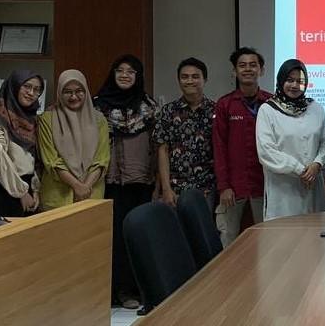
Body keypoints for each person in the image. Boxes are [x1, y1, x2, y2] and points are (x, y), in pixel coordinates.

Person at [93, 54, 159, 310]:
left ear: (138, 76)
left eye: (130, 71)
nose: (124, 75)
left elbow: (157, 146)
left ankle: (139, 289)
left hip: (141, 182)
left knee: (141, 237)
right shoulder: (98, 106)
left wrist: (156, 181)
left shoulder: (148, 106)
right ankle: (118, 290)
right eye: (119, 70)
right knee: (115, 239)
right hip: (109, 182)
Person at [255, 59, 325, 221]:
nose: (295, 86)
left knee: (316, 238)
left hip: (313, 186)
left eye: (300, 81)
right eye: (290, 80)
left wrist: (317, 163)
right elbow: (267, 151)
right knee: (284, 239)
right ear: (281, 81)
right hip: (283, 190)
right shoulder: (268, 110)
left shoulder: (315, 108)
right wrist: (300, 170)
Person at [213, 47, 273, 246]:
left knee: (268, 239)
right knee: (228, 239)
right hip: (233, 187)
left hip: (265, 186)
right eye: (242, 65)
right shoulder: (225, 105)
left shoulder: (271, 103)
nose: (248, 69)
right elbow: (219, 147)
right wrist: (224, 186)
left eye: (253, 65)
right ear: (234, 71)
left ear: (261, 70)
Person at [38, 70, 110, 211]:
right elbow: (51, 160)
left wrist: (85, 187)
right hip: (58, 196)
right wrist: (77, 186)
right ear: (59, 93)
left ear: (86, 92)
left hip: (91, 195)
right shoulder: (47, 119)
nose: (73, 96)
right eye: (67, 92)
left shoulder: (99, 120)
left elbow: (102, 159)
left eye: (79, 91)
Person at [0, 70, 43, 216]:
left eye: (36, 89)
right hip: (3, 189)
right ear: (15, 86)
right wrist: (20, 192)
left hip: (25, 188)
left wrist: (34, 190)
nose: (31, 93)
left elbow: (31, 158)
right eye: (26, 86)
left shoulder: (31, 119)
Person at [154, 57, 216, 206]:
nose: (190, 81)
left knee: (202, 228)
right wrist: (166, 188)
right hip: (176, 187)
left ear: (205, 79)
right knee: (175, 229)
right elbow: (163, 150)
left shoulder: (216, 111)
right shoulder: (168, 111)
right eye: (185, 77)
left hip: (207, 187)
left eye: (195, 77)